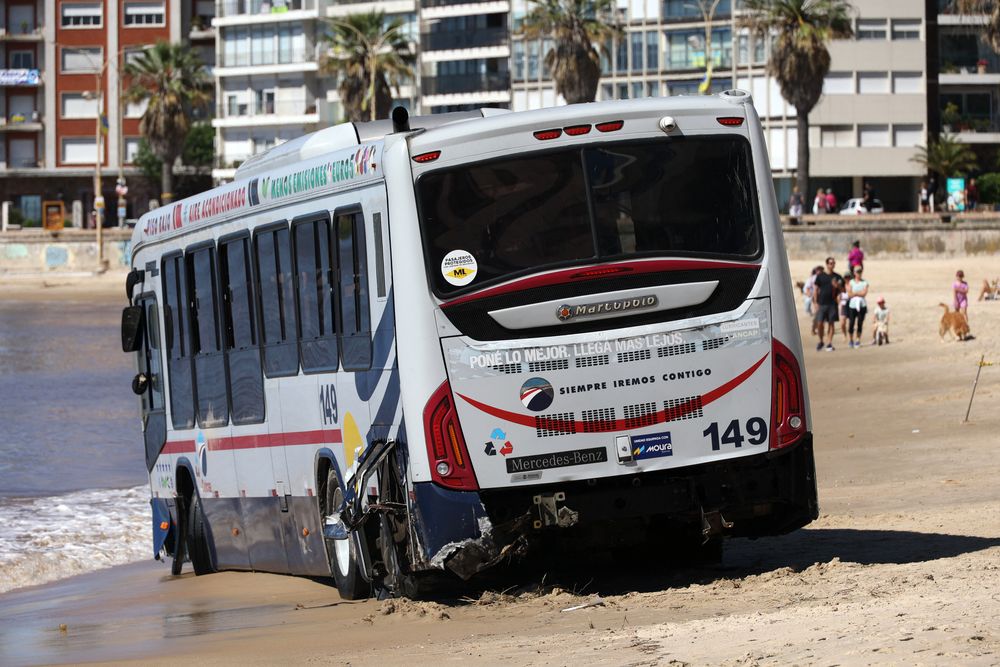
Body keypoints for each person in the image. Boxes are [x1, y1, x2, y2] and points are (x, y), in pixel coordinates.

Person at [813, 257, 843, 351]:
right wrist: (815, 302)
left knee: (831, 323)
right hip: (821, 303)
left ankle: (829, 343)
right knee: (820, 323)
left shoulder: (837, 277)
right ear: (827, 264)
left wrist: (837, 286)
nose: (832, 264)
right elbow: (815, 290)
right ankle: (821, 341)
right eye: (830, 263)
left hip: (832, 304)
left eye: (833, 263)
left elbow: (843, 290)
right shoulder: (820, 276)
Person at [847, 266, 869, 349]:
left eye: (860, 271)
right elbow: (849, 294)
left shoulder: (865, 282)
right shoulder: (851, 282)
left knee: (860, 323)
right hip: (852, 305)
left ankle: (858, 340)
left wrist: (855, 293)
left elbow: (864, 293)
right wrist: (857, 293)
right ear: (854, 273)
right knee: (851, 323)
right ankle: (851, 339)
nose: (859, 273)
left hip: (862, 305)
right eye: (857, 271)